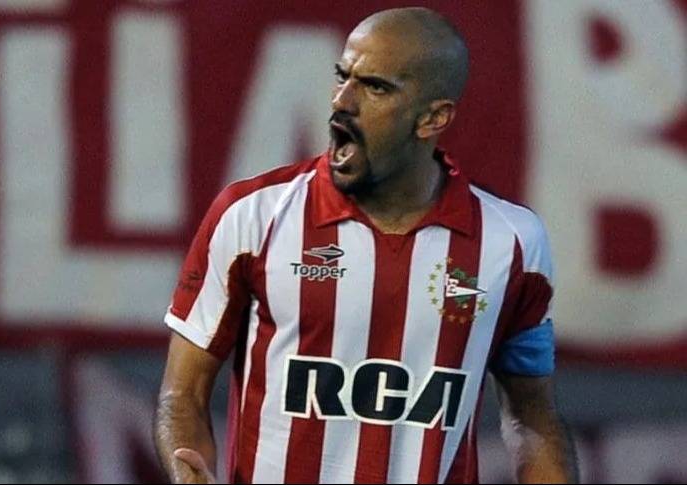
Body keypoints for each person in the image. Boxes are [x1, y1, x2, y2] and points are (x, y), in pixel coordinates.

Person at [154, 7, 578, 484]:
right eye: (343, 77)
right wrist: (188, 476)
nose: (341, 101)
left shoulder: (514, 244)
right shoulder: (251, 217)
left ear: (433, 117)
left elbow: (533, 418)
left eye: (375, 87)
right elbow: (182, 395)